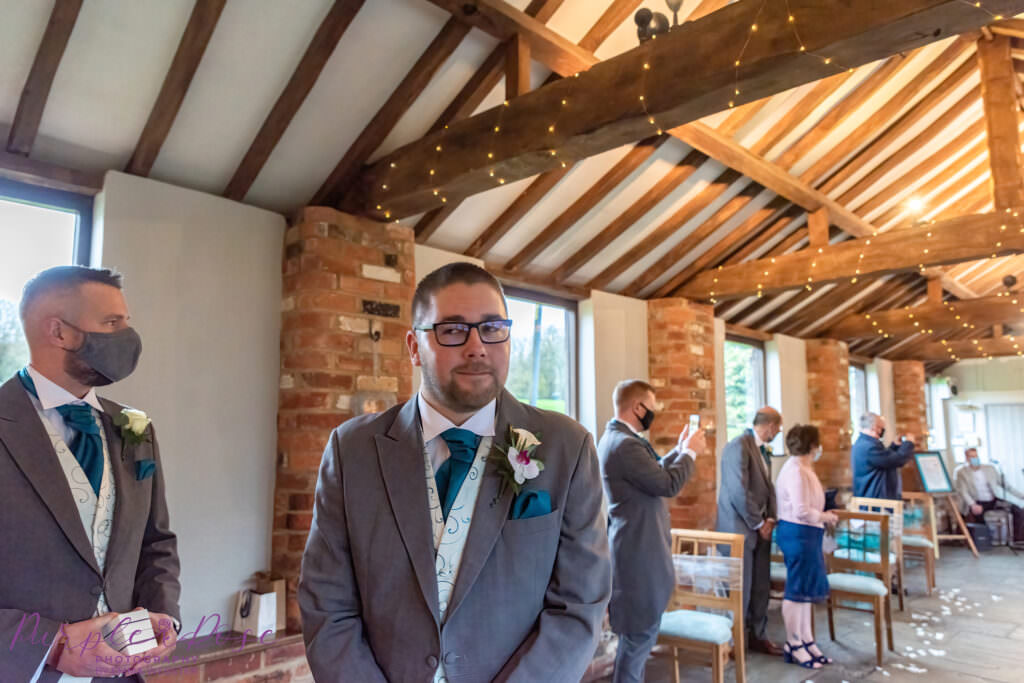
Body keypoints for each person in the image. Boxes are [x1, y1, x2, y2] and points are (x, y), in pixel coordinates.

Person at [299, 262, 611, 682]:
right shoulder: (351, 451)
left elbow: (579, 604)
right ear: (414, 346)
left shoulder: (566, 448)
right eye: (452, 330)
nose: (477, 346)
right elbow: (328, 605)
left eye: (492, 328)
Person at [0, 266, 180, 681]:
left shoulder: (135, 428)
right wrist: (52, 645)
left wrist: (163, 614)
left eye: (126, 323)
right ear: (58, 332)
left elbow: (157, 542)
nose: (127, 338)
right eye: (112, 324)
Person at [597, 380, 707, 683]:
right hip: (638, 556)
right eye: (653, 407)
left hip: (637, 549)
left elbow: (654, 470)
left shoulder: (619, 439)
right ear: (638, 407)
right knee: (637, 643)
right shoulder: (625, 444)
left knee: (636, 644)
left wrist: (681, 450)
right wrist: (692, 454)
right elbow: (666, 484)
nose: (654, 413)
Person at [716, 407, 783, 656]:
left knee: (760, 585)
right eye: (778, 428)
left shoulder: (763, 451)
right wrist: (758, 523)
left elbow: (769, 488)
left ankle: (758, 635)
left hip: (761, 528)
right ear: (770, 425)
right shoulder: (738, 446)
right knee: (739, 588)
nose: (778, 433)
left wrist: (772, 518)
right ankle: (735, 642)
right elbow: (737, 490)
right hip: (740, 527)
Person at [775, 424, 838, 670]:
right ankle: (793, 642)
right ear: (812, 445)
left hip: (807, 535)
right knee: (796, 590)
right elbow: (801, 511)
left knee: (806, 593)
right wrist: (827, 517)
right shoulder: (795, 470)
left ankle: (807, 639)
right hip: (798, 534)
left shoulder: (802, 467)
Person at [955, 447, 1024, 541]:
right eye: (971, 456)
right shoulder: (962, 473)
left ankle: (1018, 539)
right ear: (967, 458)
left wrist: (1021, 496)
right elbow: (963, 491)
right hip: (977, 502)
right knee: (978, 518)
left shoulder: (990, 469)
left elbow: (1006, 485)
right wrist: (973, 505)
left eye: (976, 456)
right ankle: (984, 541)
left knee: (1018, 511)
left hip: (993, 500)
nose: (974, 458)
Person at [852, 413, 915, 500]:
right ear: (874, 427)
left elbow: (883, 460)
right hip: (875, 503)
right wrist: (909, 443)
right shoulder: (869, 447)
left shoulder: (863, 443)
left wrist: (894, 446)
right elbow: (896, 460)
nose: (882, 430)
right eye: (881, 427)